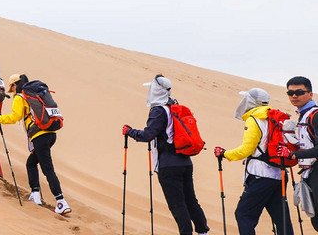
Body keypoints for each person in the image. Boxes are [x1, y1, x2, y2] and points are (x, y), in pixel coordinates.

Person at [122, 74, 209, 235]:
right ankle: (203, 232)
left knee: (177, 204)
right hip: (185, 162)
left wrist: (130, 132)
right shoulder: (174, 107)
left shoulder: (158, 110)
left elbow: (148, 135)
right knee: (191, 200)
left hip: (169, 165)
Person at [213, 88, 295, 235]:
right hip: (279, 174)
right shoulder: (273, 118)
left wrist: (225, 154)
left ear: (250, 101)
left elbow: (246, 149)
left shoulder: (254, 120)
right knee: (281, 218)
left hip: (260, 175)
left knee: (243, 214)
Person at [0, 74, 71, 214]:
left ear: (15, 85)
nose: (12, 91)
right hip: (51, 134)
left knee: (47, 168)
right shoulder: (35, 93)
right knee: (31, 163)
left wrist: (0, 118)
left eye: (12, 87)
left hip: (39, 136)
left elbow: (15, 117)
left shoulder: (20, 97)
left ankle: (61, 202)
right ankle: (35, 194)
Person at [279, 76, 318, 231]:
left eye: (299, 92)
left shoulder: (315, 115)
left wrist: (294, 155)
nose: (294, 96)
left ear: (310, 94)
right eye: (290, 93)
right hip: (310, 173)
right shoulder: (304, 115)